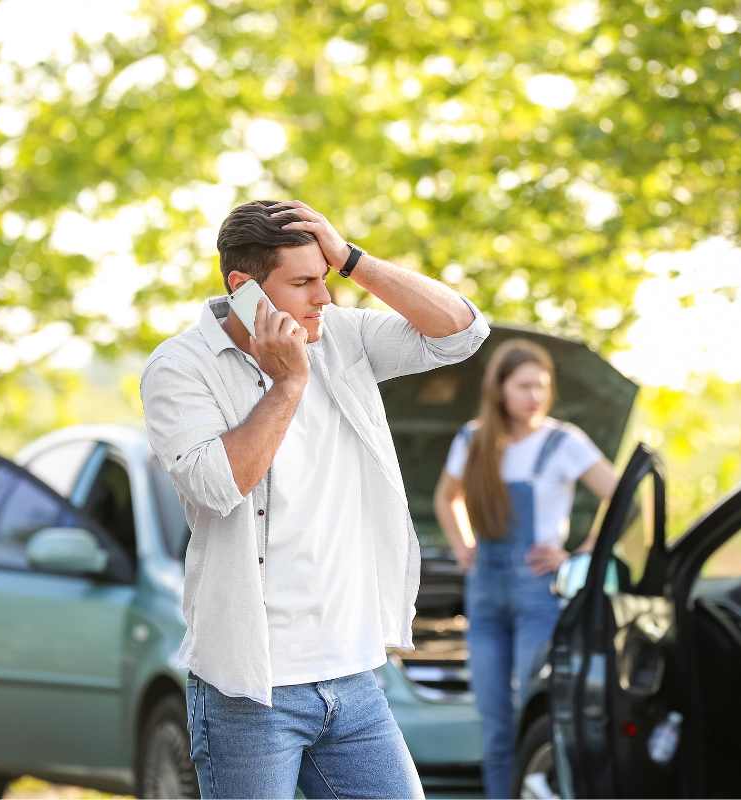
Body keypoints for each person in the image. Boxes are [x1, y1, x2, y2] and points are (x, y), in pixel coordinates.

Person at [140, 199, 489, 799]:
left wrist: (353, 260)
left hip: (352, 677)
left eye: (324, 278)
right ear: (244, 288)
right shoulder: (179, 367)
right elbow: (218, 484)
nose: (322, 298)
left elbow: (462, 333)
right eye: (303, 283)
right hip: (250, 689)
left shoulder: (342, 337)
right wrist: (289, 383)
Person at [433, 338, 618, 799]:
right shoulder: (473, 439)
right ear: (500, 389)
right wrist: (463, 546)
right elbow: (445, 497)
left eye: (542, 386)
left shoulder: (563, 441)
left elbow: (621, 495)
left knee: (531, 715)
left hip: (540, 596)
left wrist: (580, 554)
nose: (534, 396)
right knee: (494, 722)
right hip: (485, 594)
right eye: (524, 386)